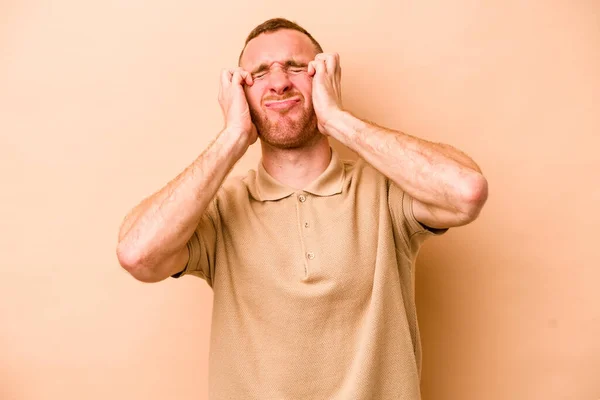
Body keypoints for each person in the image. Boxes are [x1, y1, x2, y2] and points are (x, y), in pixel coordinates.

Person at [116, 17, 488, 400]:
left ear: (325, 77)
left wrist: (337, 120)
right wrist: (232, 137)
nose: (279, 82)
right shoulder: (220, 210)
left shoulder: (386, 191)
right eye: (259, 73)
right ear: (239, 94)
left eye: (296, 67)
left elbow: (466, 191)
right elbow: (136, 254)